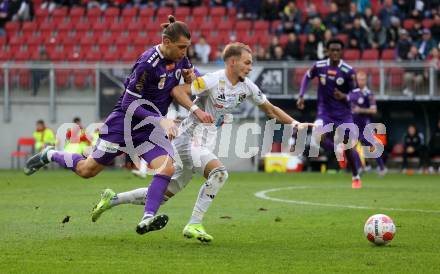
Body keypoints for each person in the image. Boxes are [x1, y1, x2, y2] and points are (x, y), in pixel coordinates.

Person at [90, 42, 313, 242]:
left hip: (203, 143)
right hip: (188, 139)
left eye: (251, 63)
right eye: (247, 62)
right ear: (233, 62)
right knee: (219, 173)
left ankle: (112, 199)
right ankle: (194, 223)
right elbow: (178, 91)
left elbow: (270, 109)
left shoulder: (248, 87)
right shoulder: (213, 80)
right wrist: (195, 109)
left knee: (162, 195)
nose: (250, 67)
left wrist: (294, 124)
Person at [24, 16, 213, 235]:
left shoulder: (180, 58)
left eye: (187, 48)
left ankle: (147, 218)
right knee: (87, 170)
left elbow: (193, 75)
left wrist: (196, 79)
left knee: (167, 167)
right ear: (166, 42)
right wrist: (161, 119)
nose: (184, 52)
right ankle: (50, 154)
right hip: (123, 124)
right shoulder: (147, 63)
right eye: (181, 47)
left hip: (148, 129)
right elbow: (128, 102)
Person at [297, 38, 363, 188]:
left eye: (337, 50)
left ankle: (355, 175)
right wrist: (301, 95)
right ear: (327, 51)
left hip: (343, 114)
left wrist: (345, 97)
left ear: (341, 52)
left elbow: (357, 93)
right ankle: (336, 148)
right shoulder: (319, 66)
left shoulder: (348, 71)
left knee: (350, 146)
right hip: (324, 111)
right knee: (317, 135)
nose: (334, 52)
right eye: (331, 50)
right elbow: (307, 76)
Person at [334, 71, 386, 175]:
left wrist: (360, 110)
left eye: (362, 79)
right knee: (350, 146)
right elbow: (345, 100)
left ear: (365, 80)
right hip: (354, 124)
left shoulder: (368, 94)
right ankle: (358, 168)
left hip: (365, 125)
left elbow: (373, 110)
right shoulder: (353, 93)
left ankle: (382, 168)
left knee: (371, 147)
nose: (360, 81)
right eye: (359, 79)